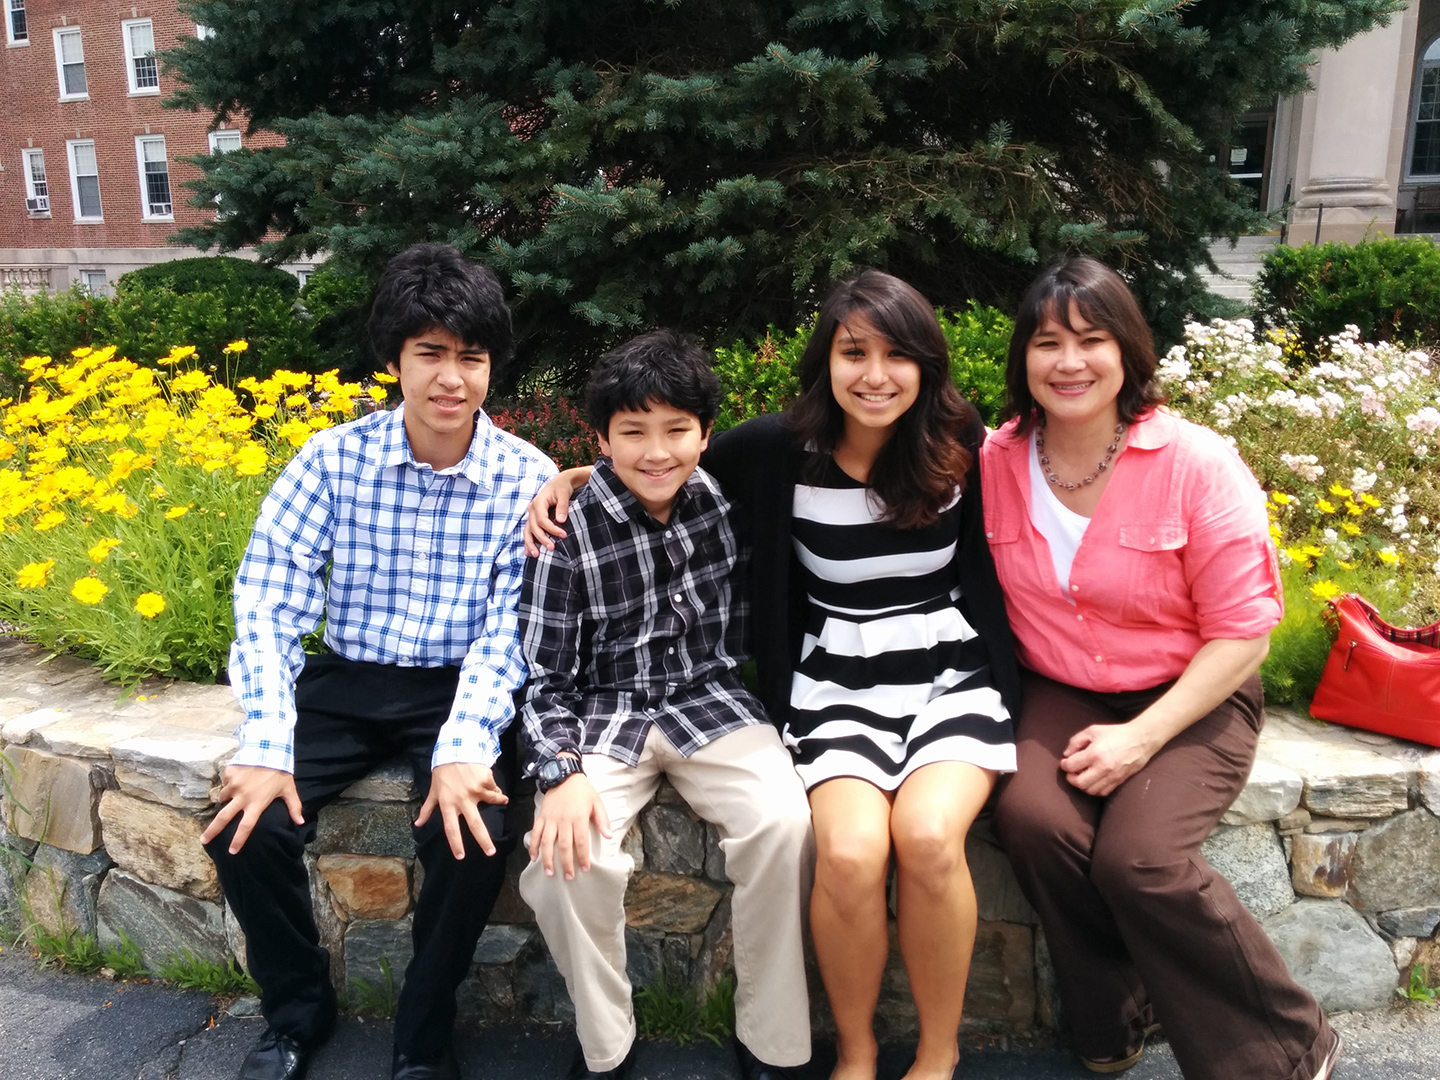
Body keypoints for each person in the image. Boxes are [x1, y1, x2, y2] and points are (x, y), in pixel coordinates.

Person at [528, 272, 1022, 1080]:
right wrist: (575, 477)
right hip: (818, 685)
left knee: (906, 837)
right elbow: (659, 463)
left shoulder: (958, 436)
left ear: (927, 364)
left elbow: (670, 457)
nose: (875, 373)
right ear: (825, 360)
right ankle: (822, 1051)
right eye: (853, 350)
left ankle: (901, 1051)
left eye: (897, 354)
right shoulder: (775, 452)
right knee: (847, 853)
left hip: (925, 678)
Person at [202, 243, 556, 1080]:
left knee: (473, 834)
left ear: (492, 366)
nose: (452, 379)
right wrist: (263, 740)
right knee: (245, 829)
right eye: (430, 354)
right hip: (349, 678)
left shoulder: (524, 478)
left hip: (458, 686)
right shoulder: (331, 460)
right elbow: (267, 596)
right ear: (393, 359)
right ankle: (296, 1015)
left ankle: (422, 1035)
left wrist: (467, 745)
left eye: (471, 357)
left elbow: (510, 630)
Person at [984, 256, 1342, 1080]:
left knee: (1137, 860)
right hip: (1061, 688)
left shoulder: (1195, 463)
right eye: (1047, 343)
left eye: (1091, 339)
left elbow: (1245, 634)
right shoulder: (997, 460)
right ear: (1023, 359)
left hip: (1193, 694)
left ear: (1128, 352)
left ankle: (1287, 1045)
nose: (1068, 362)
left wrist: (1141, 738)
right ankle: (1114, 1015)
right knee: (1035, 823)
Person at [517, 330, 813, 1080]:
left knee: (785, 825)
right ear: (601, 438)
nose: (657, 452)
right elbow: (545, 677)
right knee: (564, 862)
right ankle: (607, 1048)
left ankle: (772, 1041)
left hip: (710, 703)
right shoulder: (568, 530)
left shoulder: (724, 503)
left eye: (677, 431)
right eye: (633, 433)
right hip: (603, 715)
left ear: (705, 435)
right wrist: (560, 773)